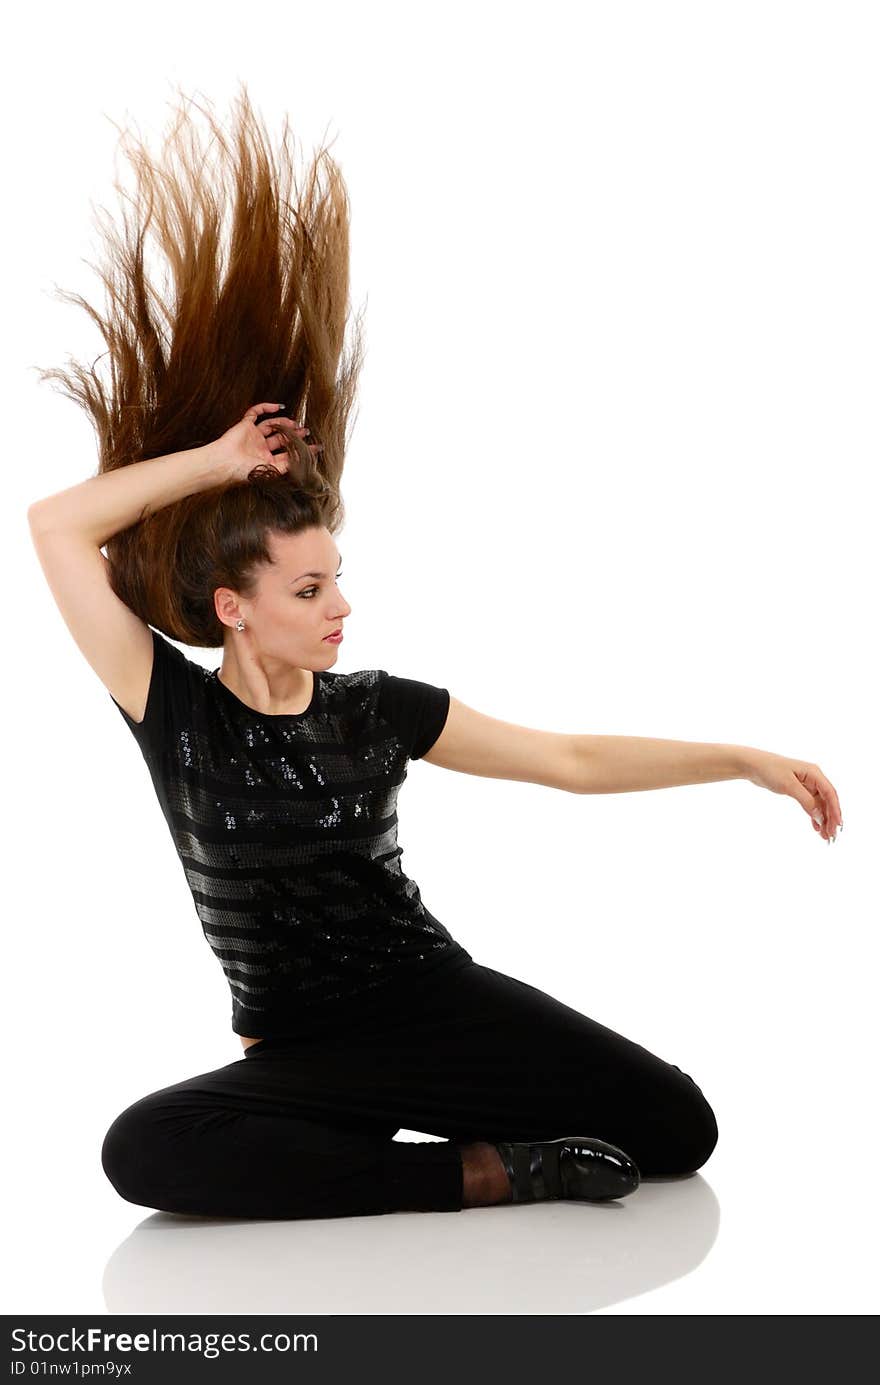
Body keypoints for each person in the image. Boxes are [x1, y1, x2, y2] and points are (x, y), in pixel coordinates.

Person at [27, 87, 840, 1221]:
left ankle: (435, 1148)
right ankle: (489, 1169)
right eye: (310, 588)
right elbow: (55, 526)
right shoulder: (168, 705)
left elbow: (566, 756)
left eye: (339, 576)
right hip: (304, 1051)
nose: (341, 606)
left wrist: (741, 757)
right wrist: (216, 462)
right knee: (144, 1152)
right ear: (232, 606)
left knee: (677, 1126)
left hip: (431, 1001)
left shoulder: (378, 707)